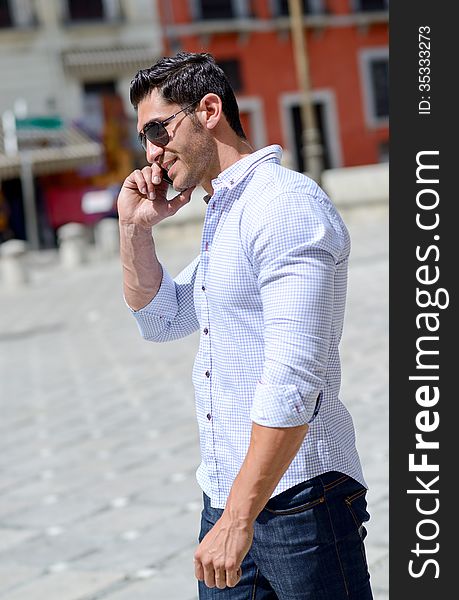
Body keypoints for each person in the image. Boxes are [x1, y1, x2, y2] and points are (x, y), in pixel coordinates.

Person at [117, 51, 373, 599]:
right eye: (143, 138)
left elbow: (294, 381)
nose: (151, 154)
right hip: (228, 500)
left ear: (209, 109)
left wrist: (237, 519)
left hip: (301, 503)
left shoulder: (282, 205)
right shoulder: (227, 214)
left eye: (158, 130)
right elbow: (160, 318)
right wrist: (135, 229)